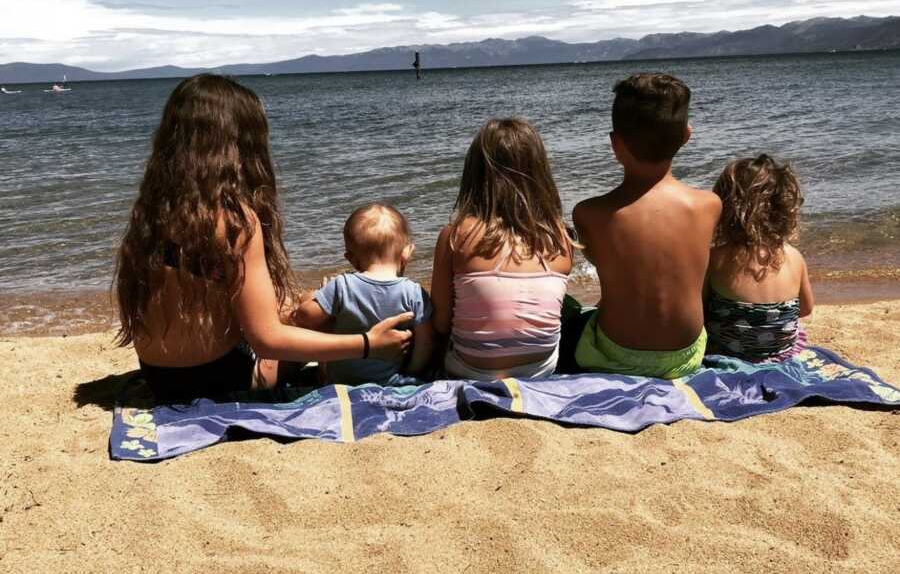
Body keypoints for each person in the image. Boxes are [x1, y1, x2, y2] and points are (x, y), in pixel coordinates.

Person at [114, 74, 412, 403]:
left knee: (298, 308)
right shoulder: (235, 222)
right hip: (221, 381)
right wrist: (368, 343)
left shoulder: (152, 211)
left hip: (160, 378)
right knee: (318, 316)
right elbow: (267, 341)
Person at [570, 73, 721, 379]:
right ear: (686, 136)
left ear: (615, 143)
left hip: (612, 354)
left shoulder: (589, 213)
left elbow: (609, 265)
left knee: (572, 315)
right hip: (686, 356)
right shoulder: (708, 206)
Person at [430, 118, 573, 380]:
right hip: (540, 370)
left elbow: (440, 323)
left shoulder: (454, 236)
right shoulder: (561, 237)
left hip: (470, 369)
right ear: (540, 172)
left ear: (474, 173)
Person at [291, 203, 433, 386]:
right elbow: (426, 342)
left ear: (351, 259)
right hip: (390, 381)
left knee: (313, 304)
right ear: (407, 253)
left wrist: (314, 295)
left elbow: (304, 317)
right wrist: (412, 371)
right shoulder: (414, 293)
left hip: (342, 381)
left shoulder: (341, 285)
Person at [705, 154, 813, 360]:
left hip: (728, 352)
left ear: (725, 207)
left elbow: (700, 312)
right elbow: (806, 308)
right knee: (799, 329)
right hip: (782, 353)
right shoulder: (794, 256)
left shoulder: (714, 259)